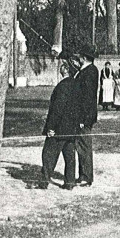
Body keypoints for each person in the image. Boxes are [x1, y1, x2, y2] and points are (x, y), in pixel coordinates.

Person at [40, 61, 81, 190]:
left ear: (66, 70)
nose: (61, 66)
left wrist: (51, 127)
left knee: (48, 154)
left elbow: (57, 109)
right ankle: (69, 182)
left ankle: (43, 181)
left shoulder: (62, 86)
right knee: (70, 156)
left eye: (64, 65)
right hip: (72, 128)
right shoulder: (77, 85)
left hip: (59, 128)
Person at [74, 45, 99, 187]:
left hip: (84, 117)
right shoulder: (89, 70)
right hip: (84, 115)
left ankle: (86, 176)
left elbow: (87, 97)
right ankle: (83, 174)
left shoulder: (89, 72)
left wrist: (84, 118)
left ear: (84, 58)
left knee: (84, 146)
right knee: (81, 145)